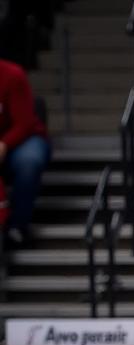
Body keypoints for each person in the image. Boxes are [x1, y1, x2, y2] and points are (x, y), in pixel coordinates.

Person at [0, 57, 49, 248]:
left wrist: (4, 144)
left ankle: (17, 226)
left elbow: (24, 122)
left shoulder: (12, 74)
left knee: (30, 160)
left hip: (23, 139)